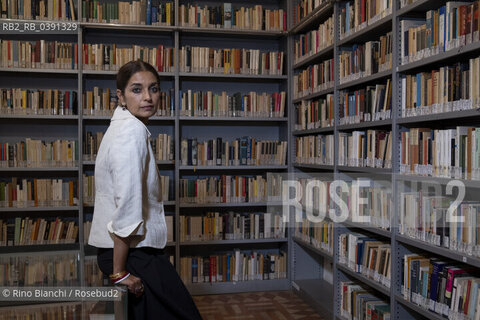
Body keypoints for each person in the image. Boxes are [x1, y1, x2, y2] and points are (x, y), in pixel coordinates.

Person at [88, 60, 202, 320]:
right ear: (121, 96)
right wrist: (119, 272)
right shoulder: (131, 132)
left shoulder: (121, 126)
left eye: (154, 89)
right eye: (137, 90)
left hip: (126, 251)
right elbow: (127, 202)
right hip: (133, 255)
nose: (148, 97)